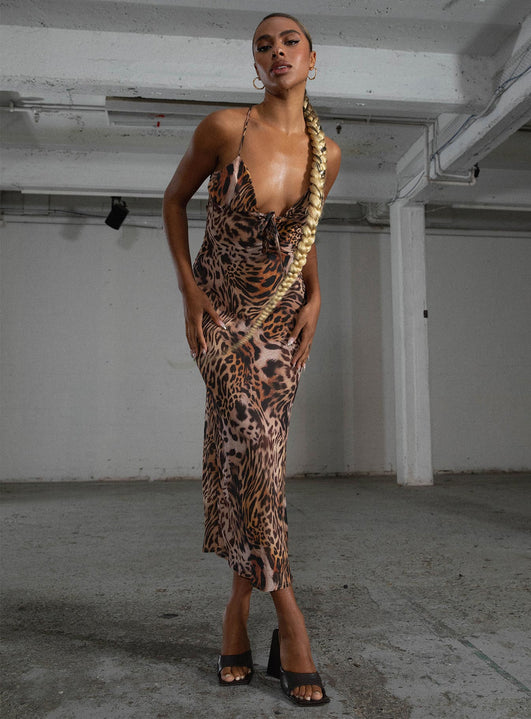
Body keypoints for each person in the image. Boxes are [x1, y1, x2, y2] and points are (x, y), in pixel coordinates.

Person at [163, 12, 341, 707]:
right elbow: (173, 200)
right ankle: (292, 624)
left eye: (289, 41)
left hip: (282, 320)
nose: (277, 51)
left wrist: (317, 296)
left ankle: (236, 613)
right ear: (255, 64)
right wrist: (189, 292)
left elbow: (306, 232)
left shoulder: (327, 153)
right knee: (259, 456)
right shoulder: (224, 128)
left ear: (312, 59)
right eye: (264, 45)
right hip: (222, 317)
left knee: (248, 459)